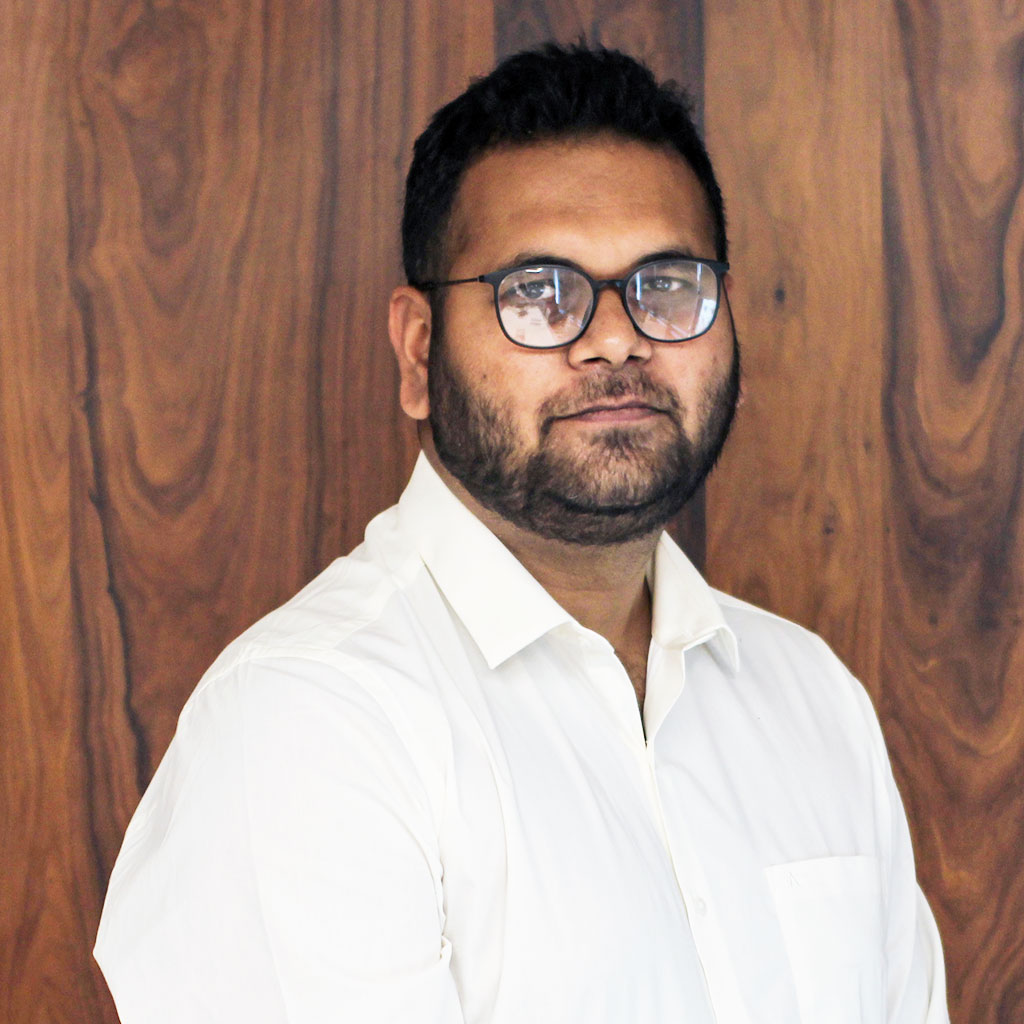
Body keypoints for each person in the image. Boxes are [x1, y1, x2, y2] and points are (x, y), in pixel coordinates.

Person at [95, 43, 948, 1023]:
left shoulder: (811, 697)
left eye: (667, 284)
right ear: (419, 351)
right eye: (538, 292)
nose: (617, 337)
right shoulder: (309, 720)